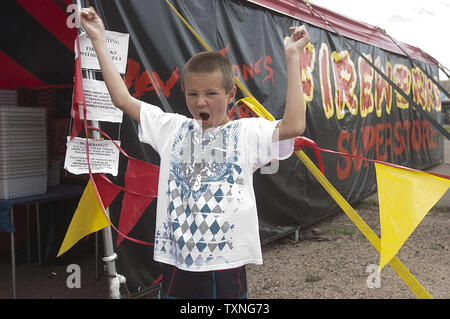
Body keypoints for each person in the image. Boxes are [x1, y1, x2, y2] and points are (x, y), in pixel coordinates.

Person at [79, 6, 309, 299]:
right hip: (177, 261)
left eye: (211, 94)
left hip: (225, 264)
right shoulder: (172, 128)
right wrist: (98, 40)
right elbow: (122, 100)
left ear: (229, 95)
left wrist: (292, 58)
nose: (201, 102)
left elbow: (294, 125)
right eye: (192, 94)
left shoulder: (245, 132)